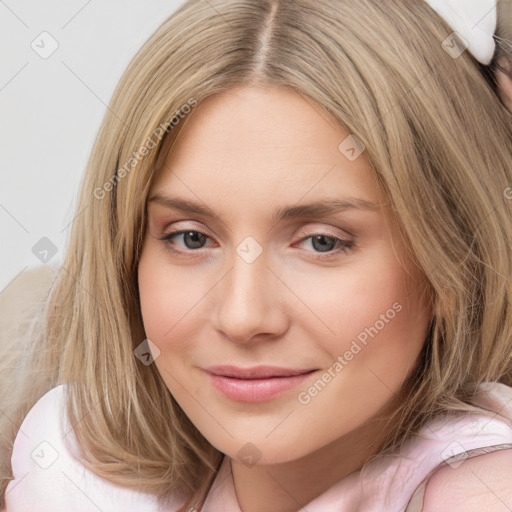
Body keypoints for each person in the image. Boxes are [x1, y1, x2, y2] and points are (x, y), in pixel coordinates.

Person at [1, 0, 512, 510]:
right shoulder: (72, 469)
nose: (243, 317)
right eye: (191, 238)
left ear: (456, 262)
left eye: (321, 242)